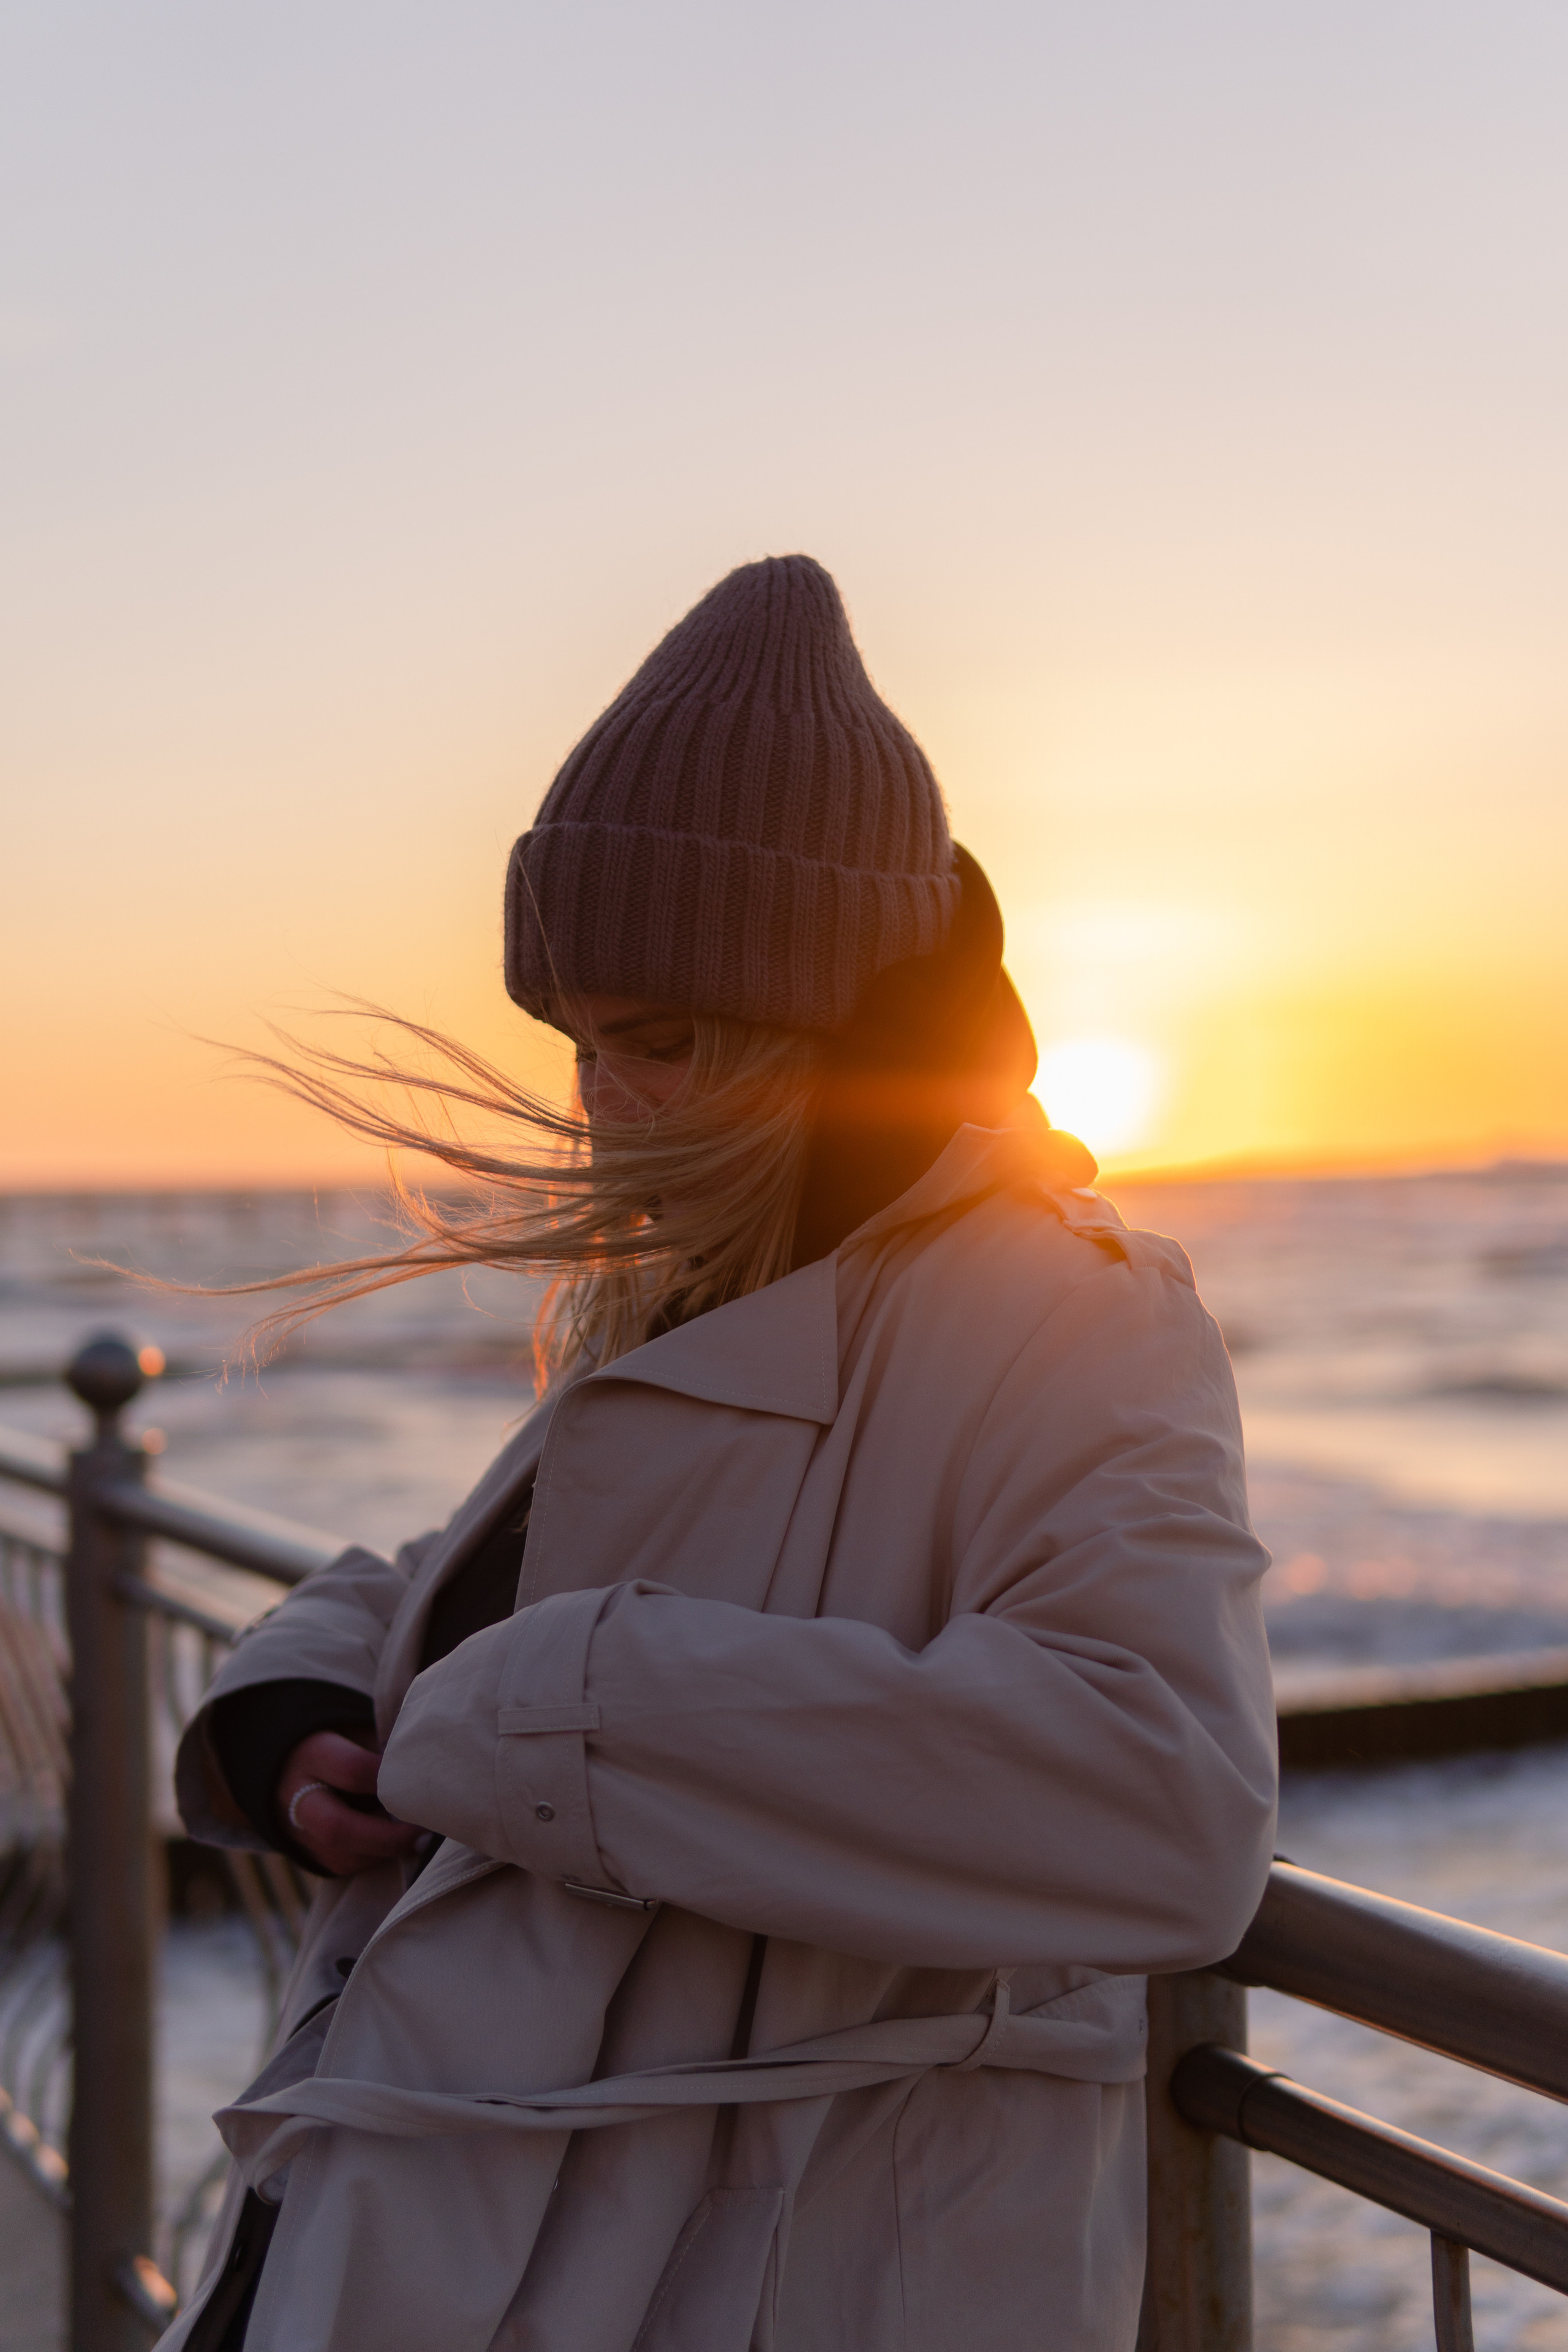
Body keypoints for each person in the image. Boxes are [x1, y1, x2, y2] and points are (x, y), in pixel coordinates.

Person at [161, 555, 1276, 2352]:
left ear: (815, 1019)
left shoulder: (1070, 1307)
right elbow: (496, 1598)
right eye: (583, 1047)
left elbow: (1165, 1798)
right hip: (465, 2224)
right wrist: (298, 1705)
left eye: (663, 1042)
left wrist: (550, 1722)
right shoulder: (708, 1282)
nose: (606, 1105)